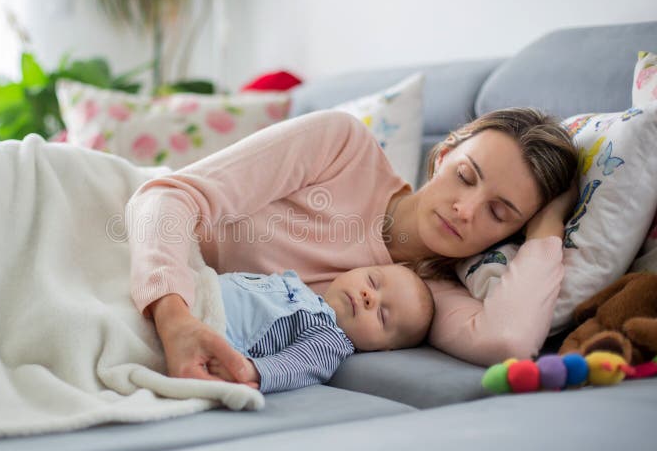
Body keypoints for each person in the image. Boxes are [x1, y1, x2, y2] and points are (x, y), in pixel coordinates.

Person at [125, 108, 578, 384]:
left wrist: (547, 228)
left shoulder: (425, 300)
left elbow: (508, 340)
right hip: (131, 227)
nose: (465, 209)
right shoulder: (341, 149)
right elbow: (169, 197)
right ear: (443, 156)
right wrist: (175, 319)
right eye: (465, 176)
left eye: (499, 213)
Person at [210, 264, 434, 393]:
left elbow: (297, 365)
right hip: (196, 292)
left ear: (382, 349)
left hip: (214, 328)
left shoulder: (331, 340)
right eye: (372, 281)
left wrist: (251, 371)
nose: (369, 297)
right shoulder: (305, 292)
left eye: (381, 315)